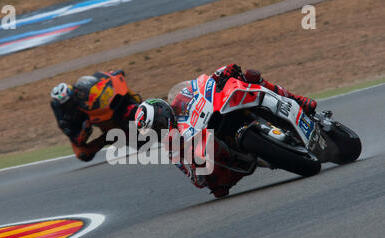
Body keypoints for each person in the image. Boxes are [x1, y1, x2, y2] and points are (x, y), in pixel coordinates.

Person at [135, 64, 318, 197]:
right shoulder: (173, 148)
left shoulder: (180, 101)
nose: (160, 131)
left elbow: (202, 84)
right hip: (226, 163)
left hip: (221, 115)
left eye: (158, 125)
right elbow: (195, 180)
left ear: (164, 112)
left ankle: (297, 100)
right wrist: (197, 165)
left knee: (247, 77)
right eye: (155, 131)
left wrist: (220, 74)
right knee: (218, 190)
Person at [50, 70, 142, 162]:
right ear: (60, 105)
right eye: (66, 104)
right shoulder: (64, 120)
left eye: (70, 100)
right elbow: (76, 140)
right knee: (82, 154)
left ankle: (139, 102)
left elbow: (95, 81)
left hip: (96, 109)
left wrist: (111, 75)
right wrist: (84, 131)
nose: (69, 104)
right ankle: (110, 137)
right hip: (86, 122)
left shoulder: (77, 90)